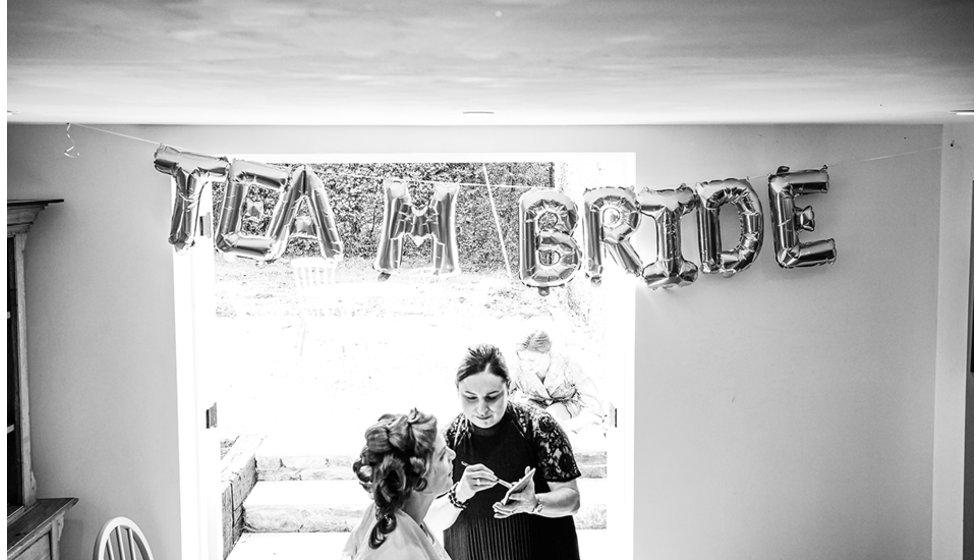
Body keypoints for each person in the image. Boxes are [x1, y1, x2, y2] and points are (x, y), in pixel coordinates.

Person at [427, 344, 582, 560]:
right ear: (458, 392)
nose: (481, 409)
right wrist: (460, 493)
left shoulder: (539, 427)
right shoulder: (449, 440)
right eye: (470, 397)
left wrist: (535, 503)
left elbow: (572, 501)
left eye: (492, 397)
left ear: (508, 388)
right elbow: (429, 521)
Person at [342, 409, 455, 560]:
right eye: (442, 456)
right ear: (417, 481)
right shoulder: (400, 551)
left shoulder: (395, 516)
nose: (452, 455)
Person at [510, 330, 604, 436]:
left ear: (547, 353)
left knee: (548, 418)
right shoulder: (518, 369)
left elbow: (592, 402)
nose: (526, 365)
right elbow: (507, 397)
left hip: (567, 407)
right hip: (533, 405)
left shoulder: (569, 364)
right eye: (522, 359)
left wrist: (572, 426)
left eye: (531, 360)